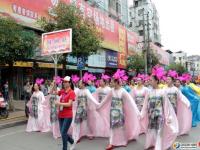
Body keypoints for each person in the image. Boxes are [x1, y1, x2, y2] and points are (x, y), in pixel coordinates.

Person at [98, 69, 140, 150]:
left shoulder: (123, 91)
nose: (111, 83)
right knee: (113, 128)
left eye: (112, 81)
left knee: (120, 127)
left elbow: (131, 102)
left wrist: (138, 112)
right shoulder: (111, 91)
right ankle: (111, 143)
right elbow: (104, 101)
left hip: (120, 113)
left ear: (117, 82)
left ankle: (122, 141)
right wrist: (98, 106)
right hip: (112, 113)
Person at [140, 75, 178, 150]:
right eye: (149, 80)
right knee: (151, 130)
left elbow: (166, 106)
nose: (149, 82)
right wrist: (141, 114)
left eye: (151, 80)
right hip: (151, 116)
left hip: (160, 116)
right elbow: (145, 105)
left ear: (156, 81)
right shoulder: (149, 92)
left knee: (159, 131)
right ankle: (150, 143)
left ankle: (158, 146)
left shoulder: (162, 92)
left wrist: (168, 117)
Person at [72, 77, 100, 148]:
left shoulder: (86, 91)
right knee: (77, 123)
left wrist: (98, 104)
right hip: (78, 110)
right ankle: (76, 136)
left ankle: (90, 134)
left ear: (84, 84)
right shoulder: (77, 90)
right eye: (79, 83)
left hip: (84, 110)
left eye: (80, 83)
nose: (79, 84)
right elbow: (72, 96)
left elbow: (91, 98)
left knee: (86, 123)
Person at [55, 76, 76, 150]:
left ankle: (64, 148)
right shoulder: (62, 91)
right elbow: (54, 92)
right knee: (63, 132)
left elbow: (69, 104)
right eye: (64, 82)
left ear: (70, 83)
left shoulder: (72, 92)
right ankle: (72, 142)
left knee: (63, 132)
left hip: (68, 115)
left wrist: (59, 103)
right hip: (61, 114)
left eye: (66, 82)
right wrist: (53, 85)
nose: (64, 83)